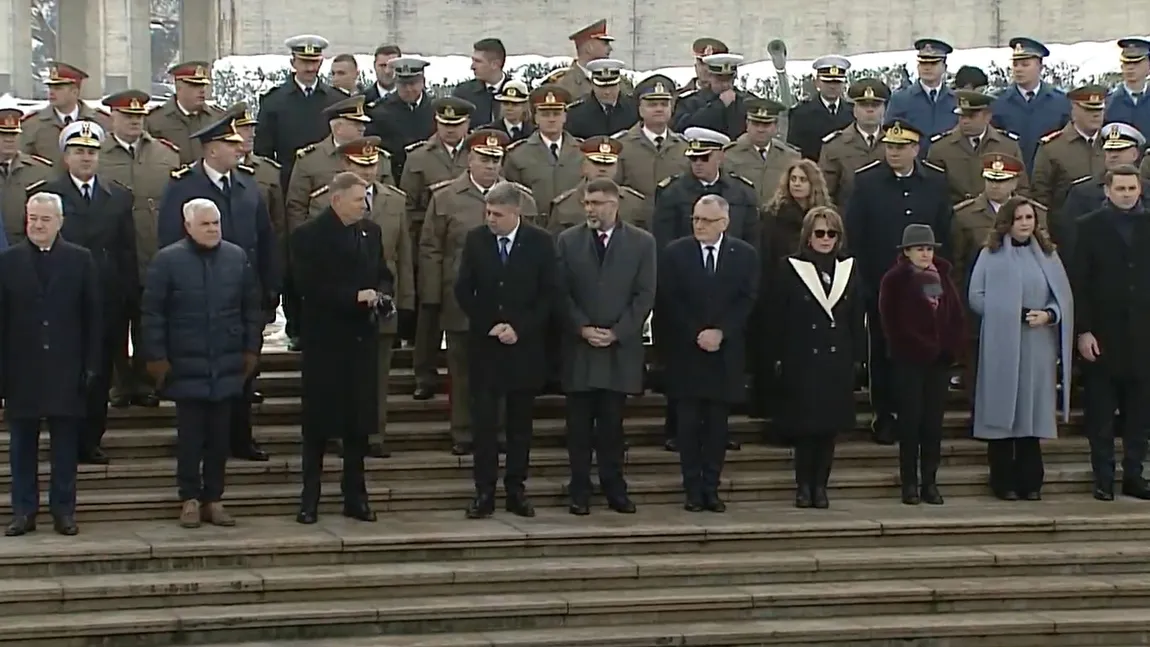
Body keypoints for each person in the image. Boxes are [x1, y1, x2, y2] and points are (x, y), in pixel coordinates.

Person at [157, 107, 279, 462]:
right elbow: (168, 242)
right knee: (199, 377)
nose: (239, 149)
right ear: (211, 149)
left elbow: (265, 237)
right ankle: (202, 446)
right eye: (231, 143)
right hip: (197, 298)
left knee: (243, 369)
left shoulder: (246, 184)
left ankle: (241, 438)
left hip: (241, 295)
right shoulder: (183, 187)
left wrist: (271, 287)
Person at [141, 199, 262, 528]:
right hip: (185, 366)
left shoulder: (236, 258)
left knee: (219, 440)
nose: (212, 229)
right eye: (206, 224)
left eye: (216, 223)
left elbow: (252, 308)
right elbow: (152, 314)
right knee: (190, 439)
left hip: (226, 366)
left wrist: (251, 350)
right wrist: (158, 359)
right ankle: (190, 498)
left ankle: (215, 498)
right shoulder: (168, 261)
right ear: (189, 226)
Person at [291, 172, 394, 524]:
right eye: (357, 199)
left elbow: (383, 272)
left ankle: (355, 496)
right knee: (319, 426)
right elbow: (308, 286)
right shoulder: (308, 236)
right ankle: (310, 498)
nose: (364, 205)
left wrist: (382, 294)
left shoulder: (370, 232)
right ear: (336, 200)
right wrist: (353, 297)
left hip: (362, 342)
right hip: (326, 344)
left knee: (357, 425)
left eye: (366, 198)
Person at [35, 120, 138, 465]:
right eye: (78, 151)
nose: (86, 158)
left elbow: (127, 251)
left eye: (91, 152)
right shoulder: (46, 195)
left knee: (100, 372)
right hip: (61, 299)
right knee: (64, 372)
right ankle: (63, 439)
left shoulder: (118, 196)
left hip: (106, 300)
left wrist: (128, 295)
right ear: (65, 156)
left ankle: (92, 439)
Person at [845, 119, 953, 445]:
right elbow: (856, 235)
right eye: (889, 146)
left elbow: (944, 232)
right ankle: (885, 416)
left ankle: (919, 416)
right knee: (883, 350)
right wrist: (864, 283)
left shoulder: (934, 181)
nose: (893, 152)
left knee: (924, 349)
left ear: (915, 149)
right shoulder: (867, 182)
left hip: (927, 285)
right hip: (882, 285)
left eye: (900, 147)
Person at [454, 182, 556, 519]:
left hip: (523, 349)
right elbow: (464, 290)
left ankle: (516, 489)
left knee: (519, 427)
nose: (491, 219)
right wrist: (490, 324)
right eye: (488, 213)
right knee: (484, 426)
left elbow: (548, 295)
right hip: (486, 347)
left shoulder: (540, 243)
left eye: (498, 214)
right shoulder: (476, 240)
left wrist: (519, 327)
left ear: (516, 213)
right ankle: (483, 492)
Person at [1, 192, 100, 536]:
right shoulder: (8, 261)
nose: (38, 225)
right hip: (21, 370)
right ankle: (23, 512)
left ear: (60, 222)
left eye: (45, 219)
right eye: (33, 219)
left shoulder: (80, 259)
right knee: (22, 447)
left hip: (65, 367)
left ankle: (63, 511)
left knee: (64, 447)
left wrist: (90, 366)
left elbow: (92, 318)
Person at [555, 178, 655, 515]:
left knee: (612, 426)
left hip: (619, 350)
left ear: (615, 204)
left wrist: (618, 332)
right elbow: (561, 291)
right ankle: (579, 489)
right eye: (586, 203)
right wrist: (582, 327)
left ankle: (615, 487)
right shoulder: (568, 241)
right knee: (579, 426)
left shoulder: (642, 243)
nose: (590, 209)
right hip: (580, 349)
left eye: (597, 203)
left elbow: (645, 295)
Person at [658, 194, 759, 512]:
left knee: (718, 427)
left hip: (725, 353)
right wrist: (696, 332)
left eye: (707, 220)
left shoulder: (744, 255)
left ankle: (711, 488)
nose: (699, 225)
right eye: (696, 219)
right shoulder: (676, 253)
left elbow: (747, 298)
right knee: (687, 426)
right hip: (687, 353)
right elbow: (669, 300)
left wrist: (721, 331)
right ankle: (691, 488)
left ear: (725, 223)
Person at [967, 196, 1072, 501]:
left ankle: (1031, 480)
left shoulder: (1049, 256)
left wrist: (1049, 314)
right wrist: (1007, 312)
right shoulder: (991, 253)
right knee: (1004, 405)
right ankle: (1003, 480)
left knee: (1032, 408)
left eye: (1030, 218)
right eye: (1020, 218)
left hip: (1037, 342)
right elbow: (976, 295)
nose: (1026, 223)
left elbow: (1061, 297)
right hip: (1002, 340)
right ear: (1008, 223)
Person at [768, 206, 864, 508]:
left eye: (831, 233)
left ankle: (821, 486)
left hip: (836, 359)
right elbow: (776, 317)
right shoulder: (790, 267)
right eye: (820, 233)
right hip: (802, 358)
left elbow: (856, 317)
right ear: (808, 236)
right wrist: (777, 357)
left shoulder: (848, 269)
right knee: (806, 428)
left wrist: (858, 358)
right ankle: (803, 486)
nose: (825, 238)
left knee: (828, 429)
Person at [1071, 164, 1150, 501]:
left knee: (1140, 414)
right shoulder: (1087, 228)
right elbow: (1080, 284)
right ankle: (1103, 477)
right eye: (1120, 189)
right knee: (1101, 414)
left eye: (1132, 189)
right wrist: (1084, 331)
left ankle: (1135, 474)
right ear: (1107, 191)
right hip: (1103, 336)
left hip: (1143, 336)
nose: (1127, 194)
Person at [878, 224, 965, 505]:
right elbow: (890, 321)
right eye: (920, 249)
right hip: (909, 361)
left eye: (928, 249)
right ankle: (909, 483)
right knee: (910, 423)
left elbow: (954, 316)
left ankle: (930, 481)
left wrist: (949, 348)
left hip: (938, 363)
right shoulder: (894, 280)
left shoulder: (943, 277)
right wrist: (917, 345)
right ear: (907, 252)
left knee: (932, 425)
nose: (925, 254)